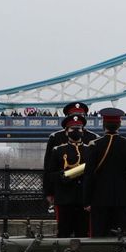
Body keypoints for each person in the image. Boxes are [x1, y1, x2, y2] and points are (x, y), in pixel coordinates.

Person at [81, 108, 126, 237]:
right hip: (122, 198)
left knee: (99, 236)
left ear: (103, 125)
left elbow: (88, 175)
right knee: (120, 237)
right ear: (119, 124)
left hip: (98, 198)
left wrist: (87, 201)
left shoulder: (94, 145)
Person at [42, 102, 95, 237]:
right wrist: (49, 192)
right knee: (63, 230)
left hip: (84, 193)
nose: (76, 130)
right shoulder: (56, 138)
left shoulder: (93, 139)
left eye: (81, 116)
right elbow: (48, 168)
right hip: (64, 193)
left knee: (83, 231)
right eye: (73, 116)